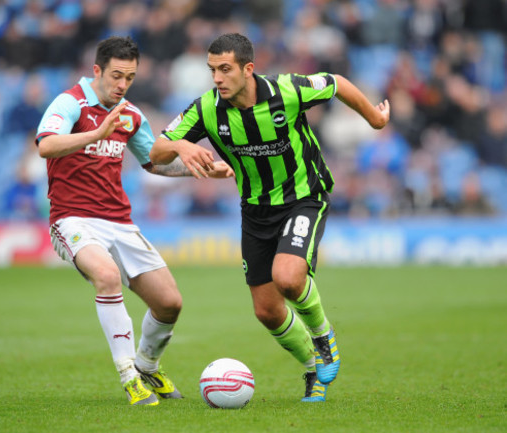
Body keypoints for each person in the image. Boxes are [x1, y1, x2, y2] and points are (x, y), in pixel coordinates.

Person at [150, 33, 390, 402]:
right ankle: (313, 368)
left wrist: (374, 118)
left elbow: (336, 83)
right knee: (266, 311)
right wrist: (182, 144)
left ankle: (324, 337)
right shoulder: (205, 110)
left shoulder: (287, 90)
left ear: (248, 69)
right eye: (212, 69)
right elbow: (156, 153)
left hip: (303, 198)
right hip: (255, 210)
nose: (216, 78)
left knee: (288, 278)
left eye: (225, 69)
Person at [35, 36, 232, 407]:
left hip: (119, 222)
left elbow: (153, 162)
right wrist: (95, 134)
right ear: (97, 71)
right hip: (72, 218)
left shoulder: (131, 114)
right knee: (107, 276)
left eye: (129, 77)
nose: (122, 85)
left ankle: (147, 365)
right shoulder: (69, 103)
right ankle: (128, 375)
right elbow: (45, 145)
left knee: (170, 303)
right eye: (115, 76)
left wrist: (199, 169)